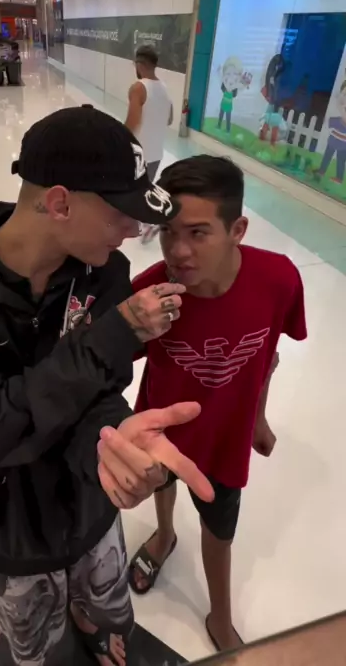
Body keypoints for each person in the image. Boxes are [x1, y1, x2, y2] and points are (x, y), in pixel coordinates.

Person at [0, 106, 214, 666]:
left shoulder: (104, 271)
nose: (133, 231)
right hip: (7, 525)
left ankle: (94, 624)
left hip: (88, 508)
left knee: (108, 609)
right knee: (34, 645)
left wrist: (112, 442)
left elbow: (102, 392)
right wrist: (110, 335)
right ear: (61, 203)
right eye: (120, 213)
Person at [128, 155, 307, 653]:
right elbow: (104, 362)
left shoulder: (278, 280)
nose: (177, 251)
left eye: (198, 233)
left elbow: (267, 355)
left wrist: (259, 418)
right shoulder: (149, 292)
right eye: (167, 232)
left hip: (225, 440)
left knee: (219, 529)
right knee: (161, 484)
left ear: (237, 230)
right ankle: (164, 535)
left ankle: (220, 615)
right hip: (161, 429)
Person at [125, 45, 173, 244]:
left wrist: (118, 140)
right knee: (144, 187)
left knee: (131, 188)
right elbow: (169, 119)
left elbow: (133, 122)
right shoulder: (164, 87)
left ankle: (144, 222)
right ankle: (147, 221)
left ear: (139, 64)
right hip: (156, 151)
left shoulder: (138, 88)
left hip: (138, 151)